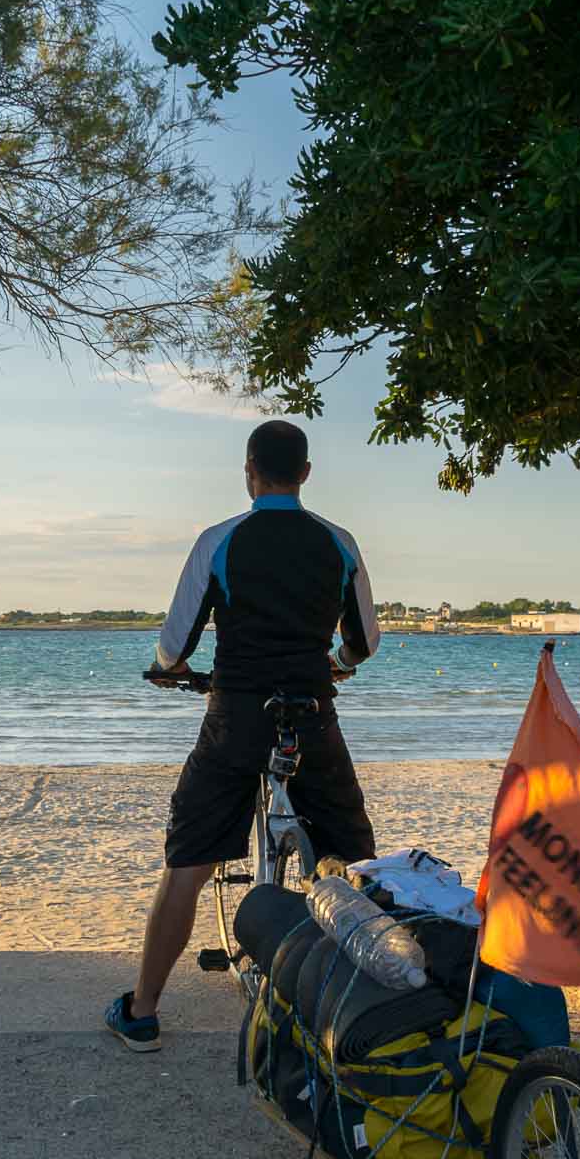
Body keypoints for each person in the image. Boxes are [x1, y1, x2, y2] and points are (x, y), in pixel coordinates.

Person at [104, 420, 381, 1052]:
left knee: (187, 864)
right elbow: (364, 642)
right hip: (312, 710)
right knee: (357, 859)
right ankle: (372, 1009)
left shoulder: (220, 540)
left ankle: (143, 1011)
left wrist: (171, 671)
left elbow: (175, 645)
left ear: (249, 472)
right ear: (306, 474)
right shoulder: (339, 542)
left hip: (235, 714)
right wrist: (334, 662)